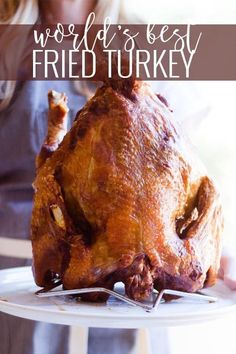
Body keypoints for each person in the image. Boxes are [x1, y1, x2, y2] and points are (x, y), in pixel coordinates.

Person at [0, 1, 235, 354]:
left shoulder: (147, 42)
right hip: (19, 292)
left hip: (136, 303)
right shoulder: (8, 40)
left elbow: (187, 175)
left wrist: (216, 252)